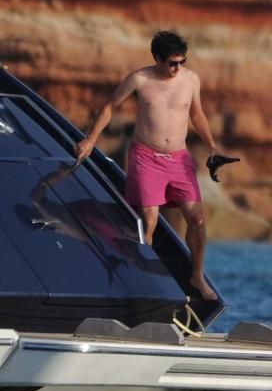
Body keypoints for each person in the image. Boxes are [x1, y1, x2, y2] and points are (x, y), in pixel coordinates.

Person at [75, 30, 219, 300]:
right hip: (146, 156)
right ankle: (141, 281)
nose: (178, 68)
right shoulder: (139, 79)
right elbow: (109, 106)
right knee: (149, 222)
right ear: (157, 58)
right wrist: (91, 140)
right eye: (172, 63)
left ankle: (197, 276)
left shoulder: (190, 80)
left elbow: (197, 114)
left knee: (197, 220)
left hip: (179, 159)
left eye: (182, 62)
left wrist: (211, 144)